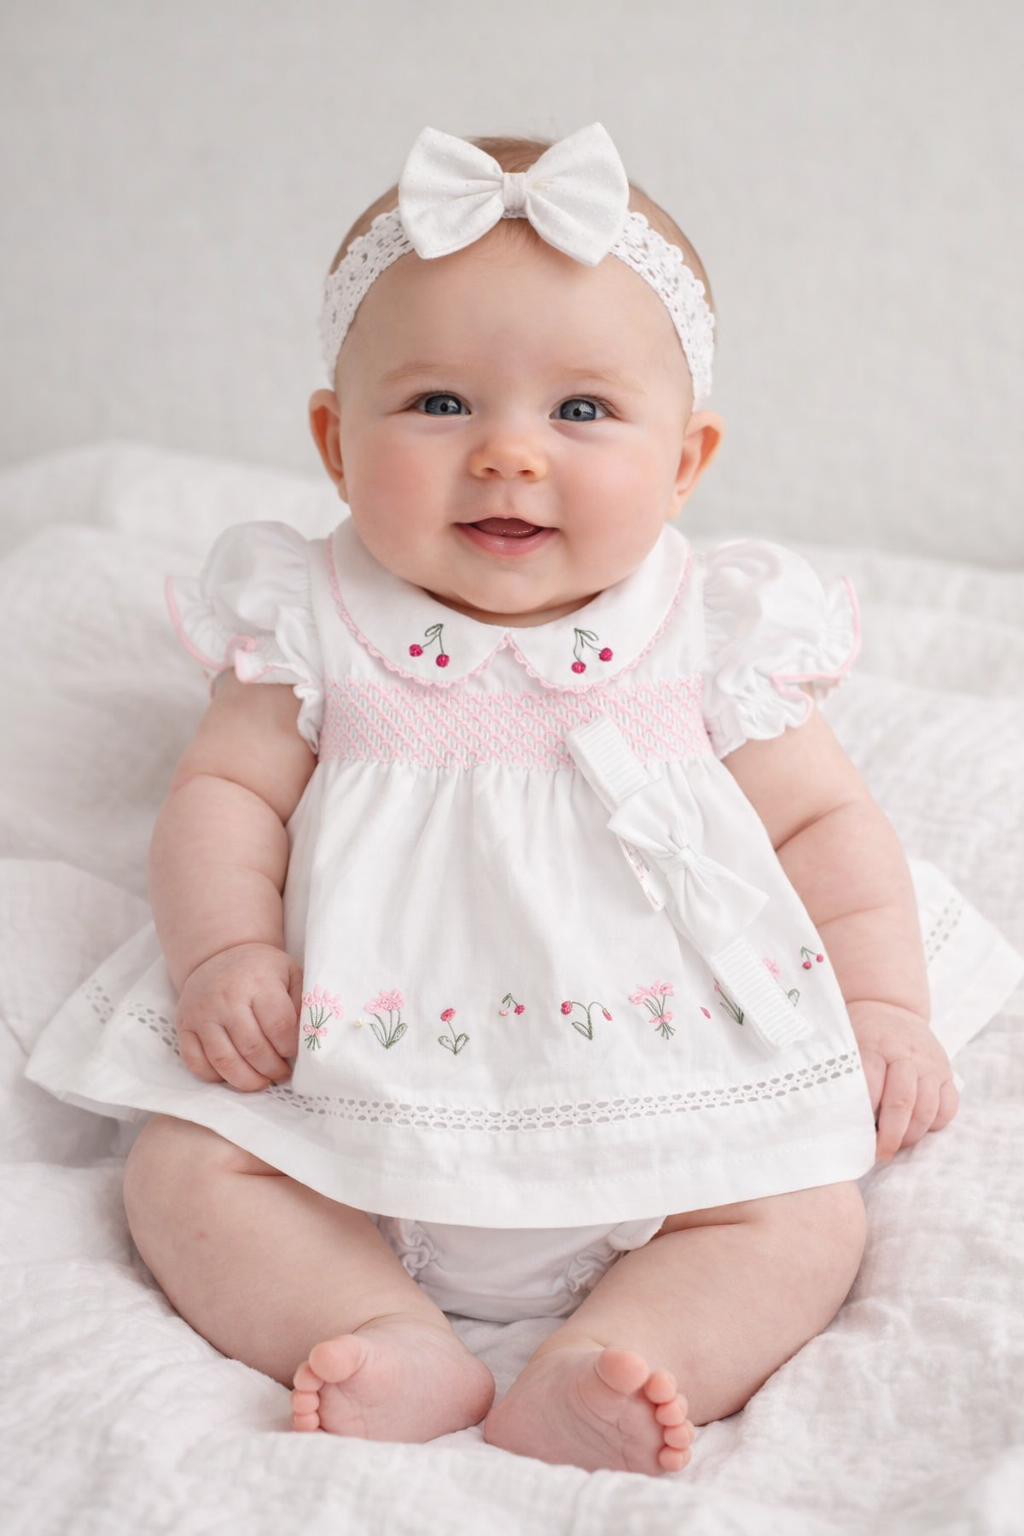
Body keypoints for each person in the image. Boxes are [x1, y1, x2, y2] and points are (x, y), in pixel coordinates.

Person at [24, 123, 1021, 1477]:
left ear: (686, 460)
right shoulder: (305, 613)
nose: (506, 453)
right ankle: (376, 1327)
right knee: (185, 1172)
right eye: (439, 404)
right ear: (332, 438)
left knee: (802, 1211)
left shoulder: (714, 628)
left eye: (581, 410)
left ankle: (618, 1357)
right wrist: (225, 955)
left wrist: (888, 1005)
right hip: (348, 1089)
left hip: (675, 1092)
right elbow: (224, 797)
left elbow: (825, 826)